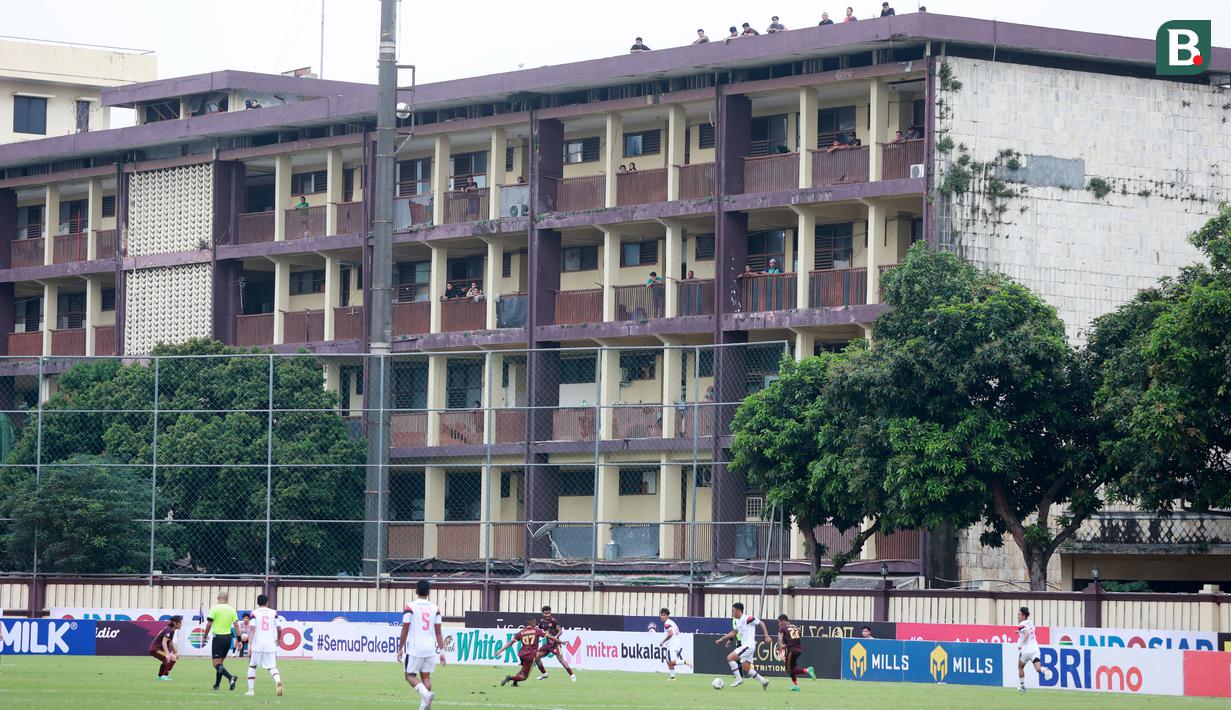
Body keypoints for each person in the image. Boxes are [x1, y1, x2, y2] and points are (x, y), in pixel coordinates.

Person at [398, 579, 446, 709]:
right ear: (428, 592)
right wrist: (442, 652)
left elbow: (405, 629)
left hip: (415, 649)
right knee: (426, 677)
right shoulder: (435, 608)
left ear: (416, 591)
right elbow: (438, 632)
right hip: (430, 649)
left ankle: (426, 695)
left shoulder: (410, 607)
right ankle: (424, 705)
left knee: (409, 675)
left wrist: (400, 648)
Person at [714, 602, 770, 689]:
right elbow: (734, 632)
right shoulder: (737, 621)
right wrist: (722, 639)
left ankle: (738, 679)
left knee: (730, 658)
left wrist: (766, 636)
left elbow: (761, 623)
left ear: (738, 610)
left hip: (748, 645)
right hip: (747, 646)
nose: (733, 613)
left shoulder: (747, 618)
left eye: (733, 611)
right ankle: (763, 681)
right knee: (746, 669)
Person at [499, 617, 560, 687]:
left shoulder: (520, 632)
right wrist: (559, 641)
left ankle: (514, 683)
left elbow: (510, 643)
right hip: (530, 655)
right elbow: (550, 637)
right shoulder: (537, 631)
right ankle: (510, 678)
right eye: (535, 622)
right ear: (532, 623)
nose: (536, 624)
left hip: (521, 654)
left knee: (523, 669)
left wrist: (500, 650)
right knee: (524, 677)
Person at [246, 594, 285, 697]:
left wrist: (249, 643)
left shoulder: (254, 613)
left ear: (257, 603)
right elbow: (279, 628)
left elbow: (252, 628)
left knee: (252, 665)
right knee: (272, 666)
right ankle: (277, 680)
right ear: (267, 602)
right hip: (270, 644)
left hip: (257, 644)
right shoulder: (273, 612)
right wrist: (279, 639)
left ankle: (251, 691)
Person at [203, 591, 240, 691]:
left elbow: (209, 624)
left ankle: (230, 677)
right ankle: (216, 685)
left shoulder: (214, 608)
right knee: (220, 663)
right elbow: (236, 625)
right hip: (228, 638)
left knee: (215, 664)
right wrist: (239, 639)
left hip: (218, 638)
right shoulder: (232, 609)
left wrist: (205, 635)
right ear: (227, 599)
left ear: (217, 598)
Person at [534, 605, 576, 682]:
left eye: (549, 613)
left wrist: (556, 636)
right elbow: (538, 630)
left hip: (555, 644)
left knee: (561, 660)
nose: (547, 615)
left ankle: (572, 675)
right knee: (537, 656)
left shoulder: (553, 621)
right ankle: (544, 674)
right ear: (542, 613)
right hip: (547, 644)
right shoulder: (541, 621)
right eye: (545, 613)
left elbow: (560, 631)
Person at [777, 614, 815, 691]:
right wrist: (785, 647)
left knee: (789, 670)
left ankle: (807, 670)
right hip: (798, 650)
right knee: (792, 668)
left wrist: (780, 650)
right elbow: (796, 638)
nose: (779, 624)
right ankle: (796, 686)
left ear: (783, 621)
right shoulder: (795, 627)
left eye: (779, 622)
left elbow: (779, 639)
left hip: (792, 651)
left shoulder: (782, 627)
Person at [659, 608, 692, 680]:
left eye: (663, 615)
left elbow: (670, 633)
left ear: (667, 616)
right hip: (676, 643)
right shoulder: (672, 622)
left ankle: (685, 661)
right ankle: (672, 677)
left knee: (671, 662)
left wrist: (663, 641)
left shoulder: (667, 624)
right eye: (661, 615)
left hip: (671, 644)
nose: (662, 616)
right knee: (668, 661)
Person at [1016, 607, 1042, 693]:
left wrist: (1021, 644)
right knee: (1038, 669)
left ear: (1023, 615)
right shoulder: (1031, 623)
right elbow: (1030, 632)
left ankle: (1022, 686)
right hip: (1035, 648)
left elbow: (1026, 634)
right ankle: (1044, 670)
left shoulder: (1021, 625)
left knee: (1020, 667)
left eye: (1019, 614)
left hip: (1026, 650)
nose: (1018, 616)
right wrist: (1019, 632)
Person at [149, 615, 182, 681]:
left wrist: (175, 651)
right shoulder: (168, 630)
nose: (181, 624)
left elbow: (170, 642)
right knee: (170, 658)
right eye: (180, 622)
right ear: (175, 623)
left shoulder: (171, 630)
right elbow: (164, 642)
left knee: (170, 658)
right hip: (155, 649)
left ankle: (160, 677)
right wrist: (167, 654)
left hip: (158, 649)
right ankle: (164, 676)